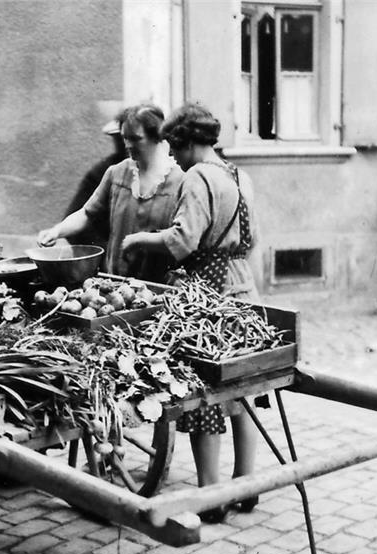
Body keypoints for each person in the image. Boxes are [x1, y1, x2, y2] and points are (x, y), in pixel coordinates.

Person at [121, 102, 260, 523]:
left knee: (202, 394)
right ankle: (247, 484)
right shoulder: (239, 175)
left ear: (186, 143)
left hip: (207, 295)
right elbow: (252, 240)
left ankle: (210, 496)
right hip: (242, 288)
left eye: (176, 148)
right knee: (244, 389)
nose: (175, 158)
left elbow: (182, 241)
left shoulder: (199, 176)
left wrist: (138, 240)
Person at [38, 104, 181, 283]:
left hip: (159, 285)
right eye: (124, 138)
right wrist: (56, 231)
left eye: (136, 138)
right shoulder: (117, 173)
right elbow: (86, 214)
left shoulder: (180, 181)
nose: (128, 145)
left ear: (157, 137)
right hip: (115, 281)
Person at [63, 109, 129, 248]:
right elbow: (77, 220)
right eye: (122, 139)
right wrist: (106, 249)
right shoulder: (103, 172)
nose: (129, 146)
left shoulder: (169, 170)